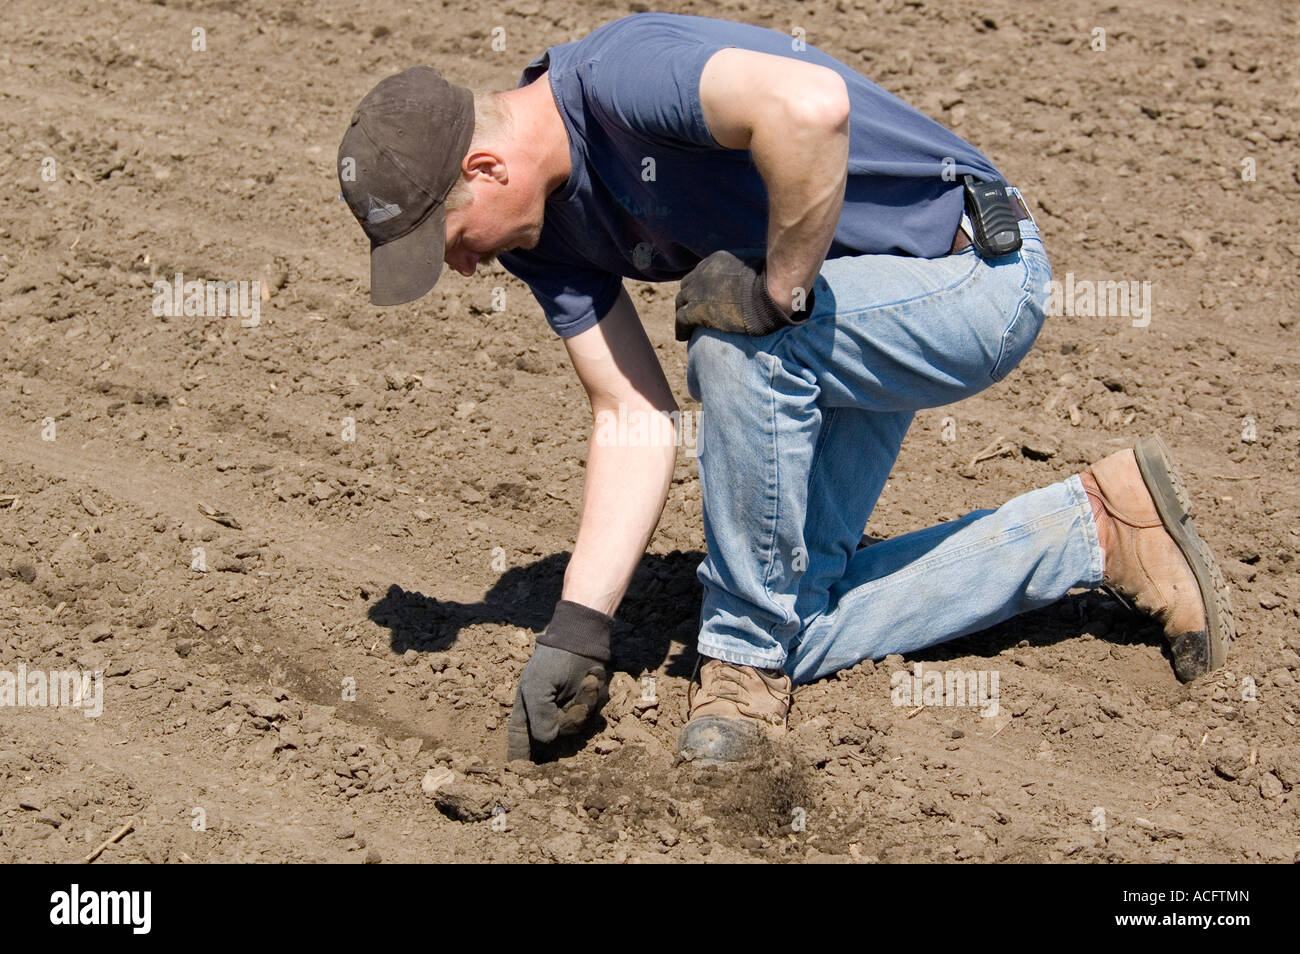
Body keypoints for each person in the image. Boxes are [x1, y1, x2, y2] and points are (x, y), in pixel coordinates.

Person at [335, 12, 1234, 764]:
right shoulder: (541, 236)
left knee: (737, 344)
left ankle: (740, 671)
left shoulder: (622, 77)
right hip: (845, 327)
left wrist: (781, 290)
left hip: (971, 275)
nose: (457, 267)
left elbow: (812, 107)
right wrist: (578, 627)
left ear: (484, 170)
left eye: (445, 240)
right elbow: (633, 414)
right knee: (805, 616)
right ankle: (1094, 530)